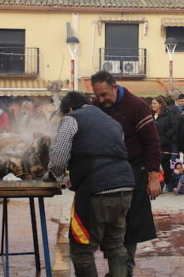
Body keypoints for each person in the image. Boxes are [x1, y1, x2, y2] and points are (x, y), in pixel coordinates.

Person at [48, 91, 134, 277]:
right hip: (125, 187)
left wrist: (54, 176)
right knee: (115, 245)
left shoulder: (71, 119)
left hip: (96, 190)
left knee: (82, 250)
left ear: (69, 109)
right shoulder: (112, 121)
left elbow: (58, 159)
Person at [90, 71, 160, 276]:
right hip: (107, 172)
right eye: (97, 96)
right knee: (110, 225)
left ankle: (124, 271)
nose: (101, 100)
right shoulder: (97, 106)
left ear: (114, 86)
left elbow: (153, 143)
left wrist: (153, 177)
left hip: (134, 171)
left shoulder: (137, 106)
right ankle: (116, 270)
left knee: (130, 226)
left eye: (104, 95)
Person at [151, 96, 176, 192]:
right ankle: (156, 184)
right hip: (153, 144)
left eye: (155, 103)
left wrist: (165, 138)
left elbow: (173, 128)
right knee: (154, 165)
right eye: (152, 103)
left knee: (165, 165)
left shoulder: (167, 115)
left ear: (160, 105)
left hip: (164, 145)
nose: (152, 105)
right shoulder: (151, 115)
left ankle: (167, 183)